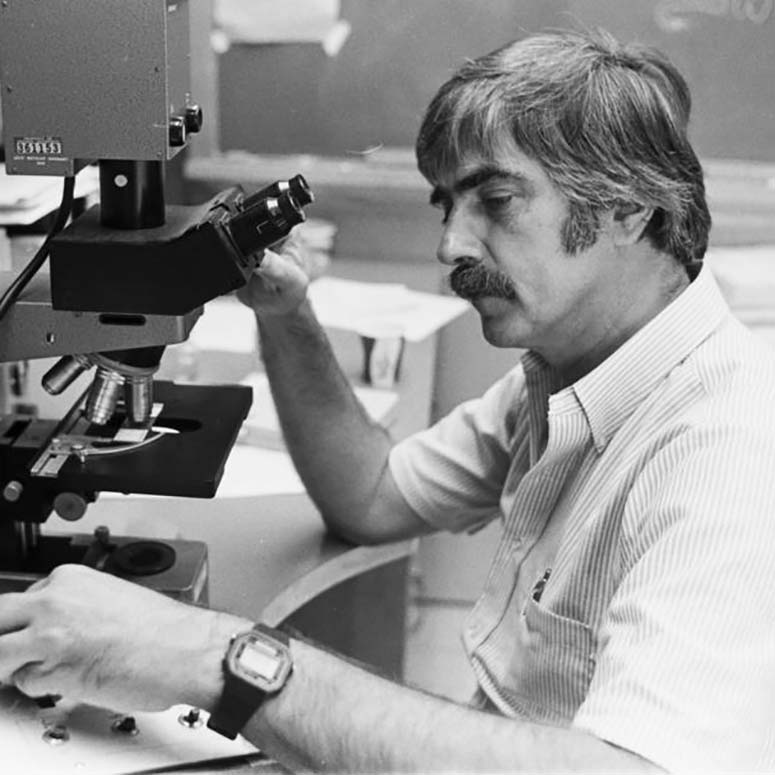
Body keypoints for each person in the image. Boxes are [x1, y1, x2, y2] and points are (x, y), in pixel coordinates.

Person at [2, 27, 775, 773]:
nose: (450, 246)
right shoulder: (568, 372)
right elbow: (371, 496)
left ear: (627, 209)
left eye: (496, 200)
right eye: (446, 205)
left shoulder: (727, 454)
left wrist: (212, 654)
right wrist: (287, 314)